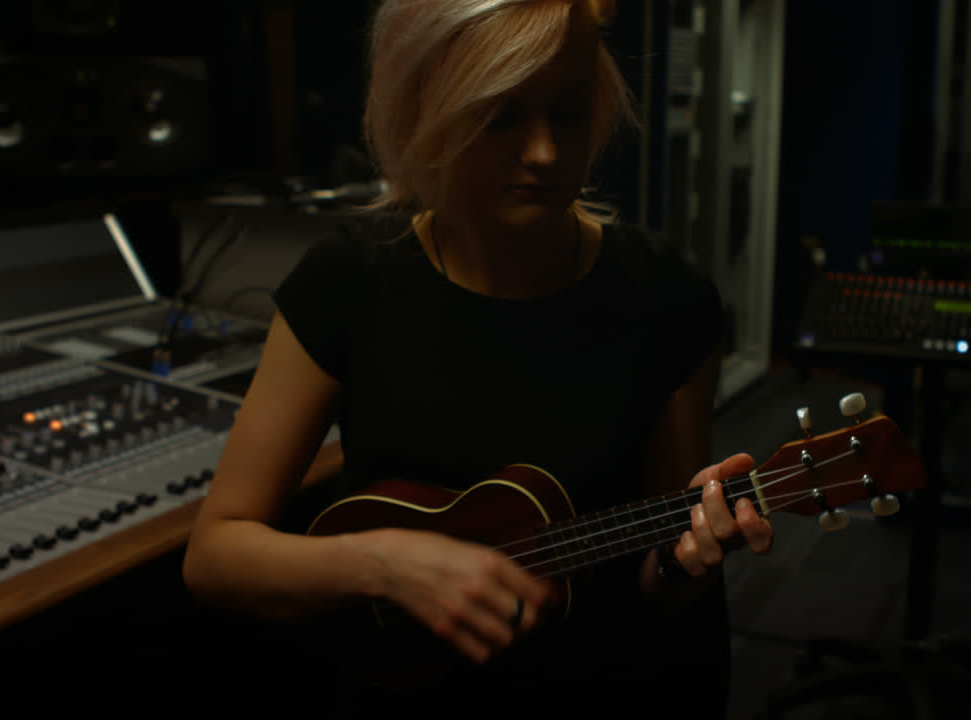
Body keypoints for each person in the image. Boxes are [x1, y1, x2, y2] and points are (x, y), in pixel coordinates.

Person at [182, 0, 773, 715]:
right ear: (423, 108)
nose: (546, 154)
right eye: (500, 116)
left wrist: (688, 564)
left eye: (569, 112)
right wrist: (384, 564)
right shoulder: (349, 283)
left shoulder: (669, 298)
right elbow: (215, 556)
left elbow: (659, 581)